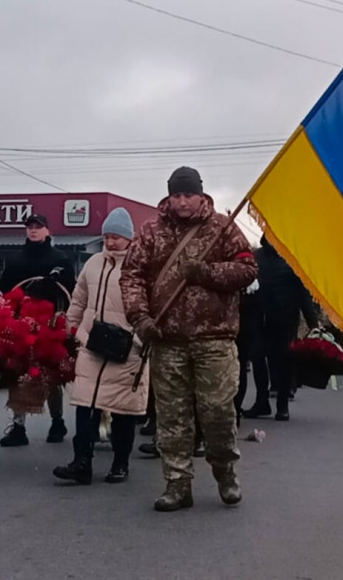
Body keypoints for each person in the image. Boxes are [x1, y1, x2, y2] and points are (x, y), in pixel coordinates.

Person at [121, 167, 257, 512]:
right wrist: (141, 318)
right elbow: (132, 276)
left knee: (217, 412)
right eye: (176, 195)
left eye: (188, 195)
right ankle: (177, 484)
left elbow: (247, 269)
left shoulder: (222, 227)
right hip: (167, 338)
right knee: (172, 416)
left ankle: (225, 472)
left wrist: (208, 273)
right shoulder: (150, 231)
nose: (182, 202)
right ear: (168, 197)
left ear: (200, 195)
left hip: (215, 338)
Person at [54, 208, 147, 485]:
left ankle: (120, 464)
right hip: (92, 345)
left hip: (127, 349)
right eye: (107, 236)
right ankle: (81, 462)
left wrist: (140, 340)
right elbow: (79, 299)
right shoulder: (93, 263)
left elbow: (152, 306)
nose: (110, 241)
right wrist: (72, 327)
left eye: (116, 236)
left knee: (122, 412)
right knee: (85, 405)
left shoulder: (142, 266)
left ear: (129, 238)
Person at [0, 213, 76, 447]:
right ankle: (18, 426)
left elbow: (71, 294)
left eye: (38, 226)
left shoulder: (61, 260)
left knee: (51, 375)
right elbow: (4, 293)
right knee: (18, 374)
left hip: (50, 325)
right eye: (30, 227)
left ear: (47, 230)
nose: (33, 230)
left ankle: (57, 421)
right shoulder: (14, 261)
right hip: (20, 325)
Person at [251, 236, 320, 422]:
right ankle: (261, 401)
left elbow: (304, 295)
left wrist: (314, 324)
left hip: (285, 319)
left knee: (284, 361)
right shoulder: (255, 257)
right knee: (257, 358)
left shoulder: (292, 260)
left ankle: (283, 405)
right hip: (258, 317)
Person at [235, 277, 269, 423]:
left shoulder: (251, 282)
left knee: (240, 367)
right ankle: (235, 410)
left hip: (241, 331)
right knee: (242, 367)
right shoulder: (253, 281)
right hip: (247, 330)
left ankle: (235, 410)